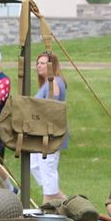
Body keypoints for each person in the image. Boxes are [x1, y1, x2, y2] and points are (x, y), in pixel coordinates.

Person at [30, 51, 67, 200]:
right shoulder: (46, 83)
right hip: (39, 134)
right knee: (34, 166)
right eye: (38, 63)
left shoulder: (54, 81)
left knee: (48, 170)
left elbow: (54, 99)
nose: (39, 66)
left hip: (50, 135)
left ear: (52, 66)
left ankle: (49, 204)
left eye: (43, 63)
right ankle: (62, 200)